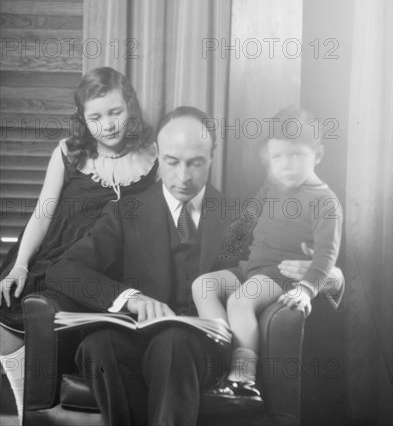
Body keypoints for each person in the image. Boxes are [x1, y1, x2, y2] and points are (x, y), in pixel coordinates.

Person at [46, 105, 344, 426]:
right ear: (158, 154)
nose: (183, 177)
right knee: (98, 345)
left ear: (212, 156)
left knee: (174, 342)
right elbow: (65, 270)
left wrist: (330, 276)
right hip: (135, 337)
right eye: (172, 162)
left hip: (202, 349)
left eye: (196, 163)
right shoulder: (125, 213)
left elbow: (269, 261)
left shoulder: (239, 217)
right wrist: (130, 297)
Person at [0, 67, 158, 423]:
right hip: (56, 253)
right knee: (7, 321)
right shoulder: (70, 152)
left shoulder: (154, 156)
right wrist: (21, 264)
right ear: (83, 120)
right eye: (95, 117)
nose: (108, 124)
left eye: (115, 112)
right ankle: (29, 408)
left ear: (130, 107)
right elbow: (43, 212)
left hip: (108, 262)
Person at [192, 106, 343, 398]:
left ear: (318, 155)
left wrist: (306, 290)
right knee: (204, 284)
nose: (286, 165)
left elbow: (326, 256)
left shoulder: (326, 202)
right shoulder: (273, 184)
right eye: (277, 157)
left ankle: (243, 378)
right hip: (252, 267)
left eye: (296, 155)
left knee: (241, 300)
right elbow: (249, 218)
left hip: (280, 272)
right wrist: (229, 241)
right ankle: (220, 359)